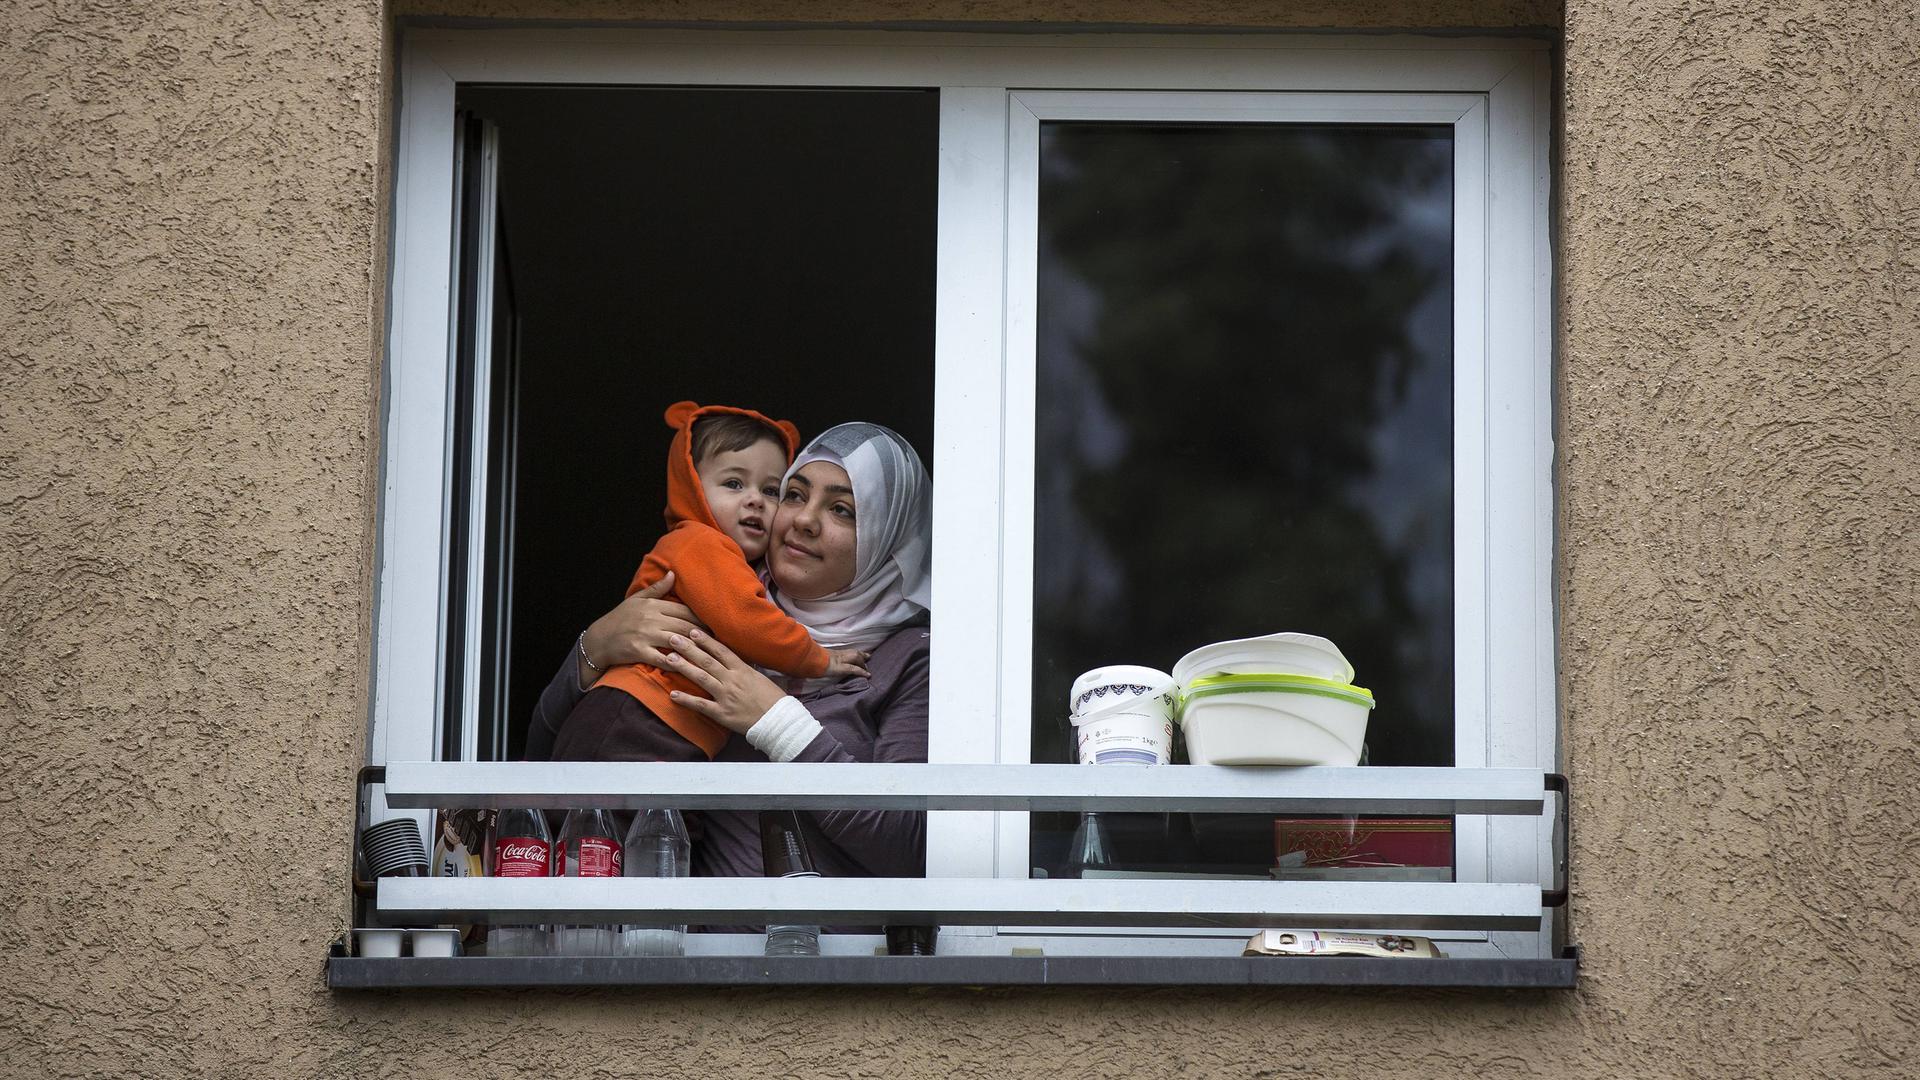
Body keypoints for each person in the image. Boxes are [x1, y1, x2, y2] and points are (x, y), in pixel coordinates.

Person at [531, 421, 932, 883]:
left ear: (888, 535)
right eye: (795, 494)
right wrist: (593, 649)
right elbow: (548, 766)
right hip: (688, 946)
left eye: (842, 509)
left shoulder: (908, 660)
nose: (803, 519)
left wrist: (780, 724)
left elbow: (912, 851)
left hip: (827, 950)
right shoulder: (715, 605)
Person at [525, 401, 869, 764]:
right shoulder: (699, 543)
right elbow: (747, 621)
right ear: (692, 487)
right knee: (628, 821)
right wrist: (819, 660)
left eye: (771, 491)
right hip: (638, 713)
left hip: (666, 723)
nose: (754, 500)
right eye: (734, 483)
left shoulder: (731, 561)